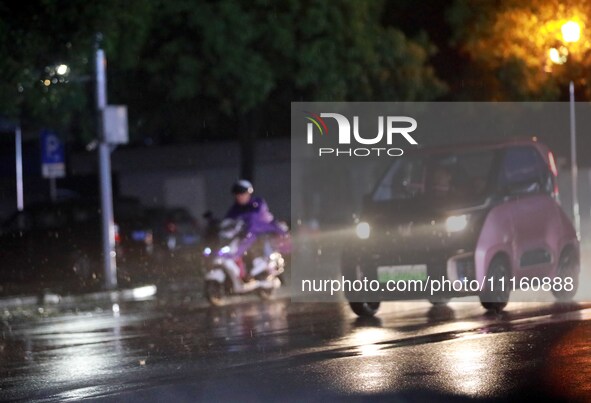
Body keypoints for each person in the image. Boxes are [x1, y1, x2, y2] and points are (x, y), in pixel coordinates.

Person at [223, 179, 288, 278]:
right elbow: (228, 222)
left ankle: (267, 268)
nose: (240, 196)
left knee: (261, 245)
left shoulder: (257, 203)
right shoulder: (235, 209)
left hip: (265, 233)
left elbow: (257, 218)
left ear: (249, 193)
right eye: (237, 194)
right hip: (246, 237)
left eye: (243, 193)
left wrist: (243, 222)